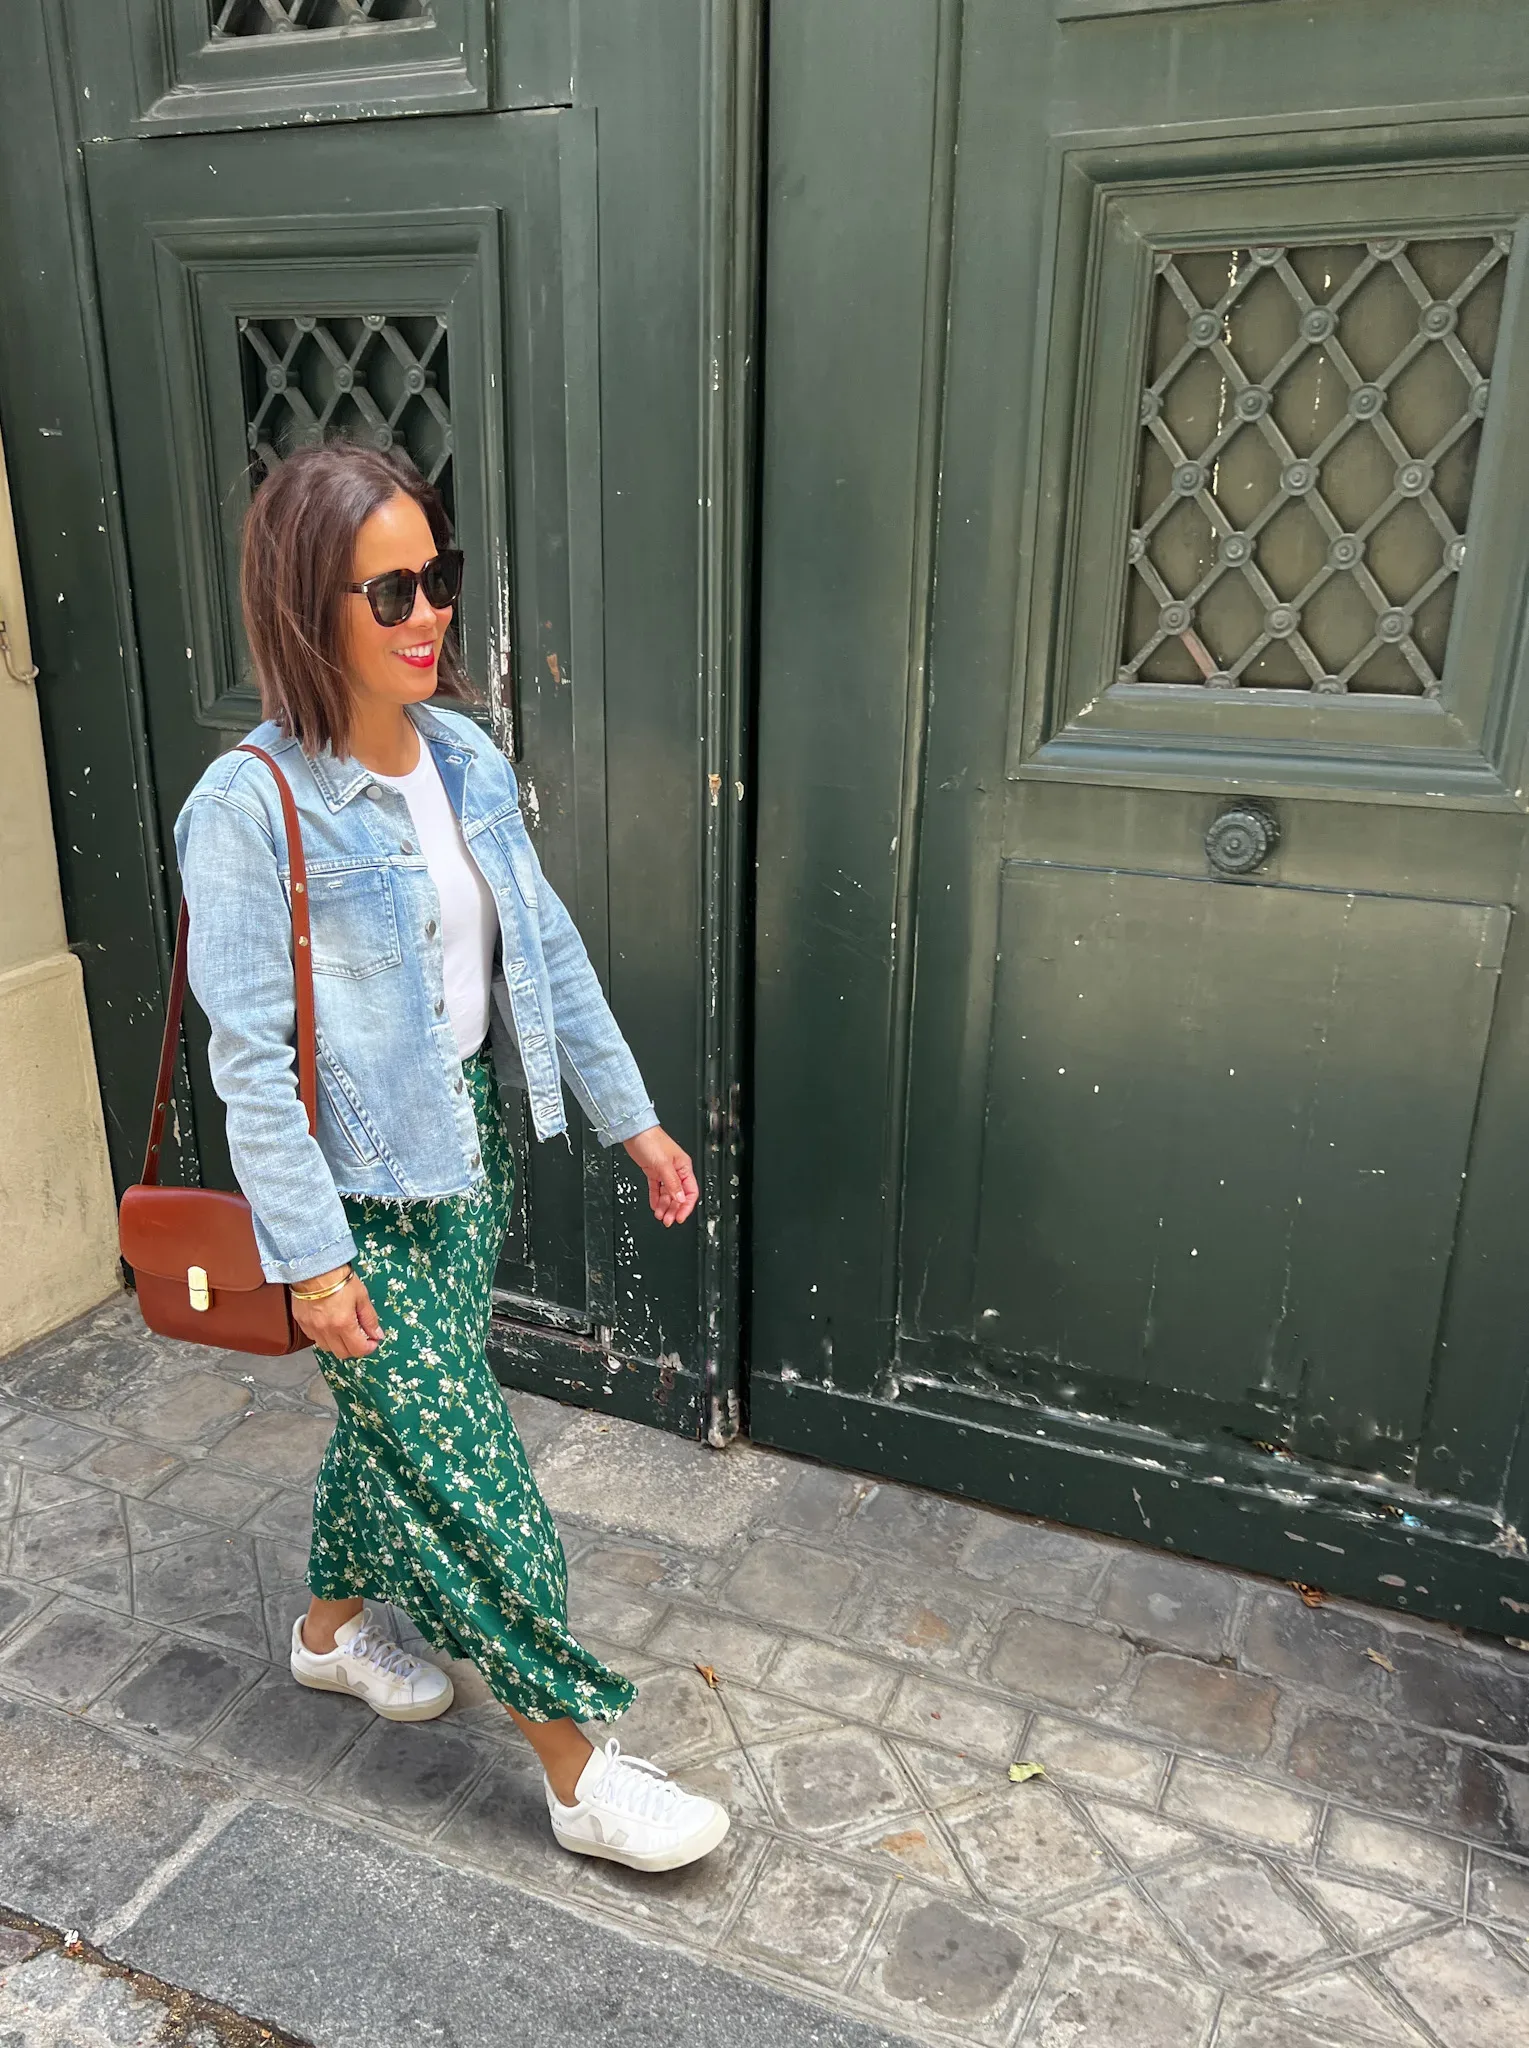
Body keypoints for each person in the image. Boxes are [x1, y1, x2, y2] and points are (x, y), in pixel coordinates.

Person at [174, 439, 728, 1874]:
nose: (430, 615)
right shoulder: (250, 807)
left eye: (440, 578)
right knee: (469, 1470)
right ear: (306, 609)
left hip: (463, 1157)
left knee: (400, 1430)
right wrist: (312, 1263)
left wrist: (632, 1117)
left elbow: (545, 951)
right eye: (392, 592)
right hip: (350, 1198)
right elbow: (249, 1061)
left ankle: (328, 1632)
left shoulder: (465, 758)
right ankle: (578, 1769)